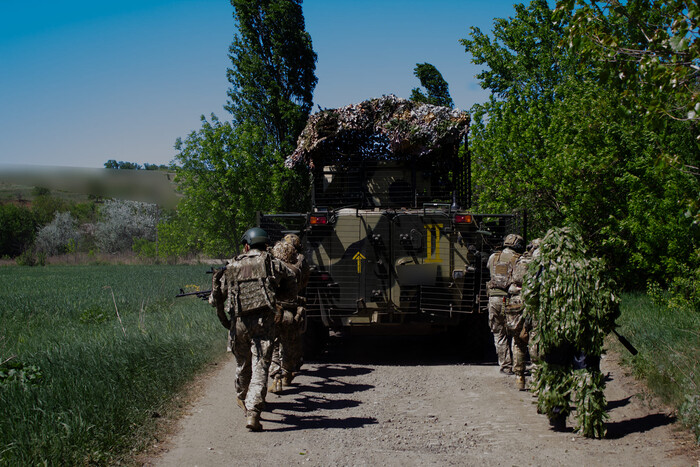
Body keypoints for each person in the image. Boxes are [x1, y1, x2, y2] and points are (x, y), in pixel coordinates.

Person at [523, 227, 619, 438]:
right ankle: (591, 423)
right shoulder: (592, 266)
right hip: (585, 332)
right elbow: (607, 301)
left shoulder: (543, 267)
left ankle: (557, 417)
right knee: (586, 374)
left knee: (555, 371)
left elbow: (529, 296)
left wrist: (542, 313)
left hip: (555, 331)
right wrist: (604, 323)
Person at [209, 227, 293, 432]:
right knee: (261, 366)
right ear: (265, 245)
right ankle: (253, 411)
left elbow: (216, 298)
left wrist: (223, 314)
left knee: (242, 363)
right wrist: (279, 296)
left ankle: (242, 397)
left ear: (246, 246)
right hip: (264, 322)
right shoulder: (272, 263)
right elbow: (291, 281)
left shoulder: (231, 265)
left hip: (238, 323)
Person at [486, 233, 525, 374]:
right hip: (512, 299)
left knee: (498, 333)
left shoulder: (493, 257)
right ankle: (517, 365)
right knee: (516, 333)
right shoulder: (519, 259)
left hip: (494, 299)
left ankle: (505, 366)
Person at [507, 237, 541, 390]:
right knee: (535, 340)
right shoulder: (540, 263)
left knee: (518, 340)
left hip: (516, 302)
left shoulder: (518, 260)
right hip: (533, 304)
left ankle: (519, 377)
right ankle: (536, 381)